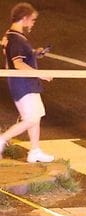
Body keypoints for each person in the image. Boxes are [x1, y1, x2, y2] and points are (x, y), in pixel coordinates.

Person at [0, 3, 53, 163]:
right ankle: (2, 139)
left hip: (23, 83)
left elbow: (15, 58)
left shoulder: (11, 36)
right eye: (32, 20)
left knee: (35, 117)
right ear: (24, 19)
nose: (32, 23)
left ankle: (35, 151)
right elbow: (18, 64)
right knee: (31, 119)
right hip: (23, 84)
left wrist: (34, 53)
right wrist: (41, 74)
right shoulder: (16, 39)